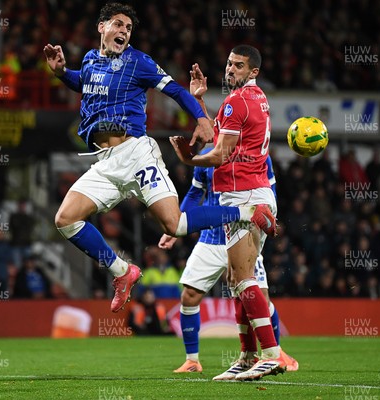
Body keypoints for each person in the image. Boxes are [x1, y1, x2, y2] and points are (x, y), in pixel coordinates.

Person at [43, 3, 276, 313]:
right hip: (105, 161)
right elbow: (83, 82)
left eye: (128, 27)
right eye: (118, 24)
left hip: (136, 154)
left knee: (175, 225)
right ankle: (123, 272)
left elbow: (177, 91)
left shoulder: (138, 62)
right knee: (65, 220)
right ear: (101, 27)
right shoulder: (89, 61)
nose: (124, 31)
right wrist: (61, 73)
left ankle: (246, 212)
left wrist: (201, 119)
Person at [170, 45, 284, 381]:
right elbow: (219, 135)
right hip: (246, 194)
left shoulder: (237, 101)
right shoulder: (255, 98)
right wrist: (201, 102)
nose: (230, 69)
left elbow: (220, 153)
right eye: (230, 63)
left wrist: (190, 161)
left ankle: (271, 354)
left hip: (244, 196)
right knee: (237, 279)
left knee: (244, 278)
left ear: (253, 71)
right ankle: (248, 356)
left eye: (239, 65)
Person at [159, 151, 298, 373]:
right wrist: (176, 227)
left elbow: (269, 191)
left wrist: (269, 222)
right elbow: (195, 194)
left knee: (258, 297)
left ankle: (275, 352)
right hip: (211, 238)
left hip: (243, 232)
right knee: (189, 295)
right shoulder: (205, 158)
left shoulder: (257, 154)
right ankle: (192, 360)